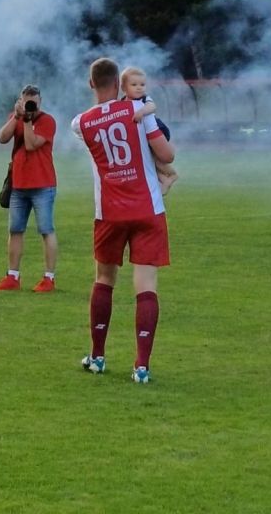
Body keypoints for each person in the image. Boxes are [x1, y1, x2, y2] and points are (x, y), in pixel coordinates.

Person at [72, 57, 176, 384]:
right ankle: (141, 367)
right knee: (146, 286)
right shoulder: (137, 110)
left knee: (104, 279)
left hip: (109, 212)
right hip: (147, 209)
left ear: (91, 84)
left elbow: (94, 130)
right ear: (120, 83)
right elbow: (166, 155)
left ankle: (98, 357)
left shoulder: (81, 122)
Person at [0, 85, 58, 292]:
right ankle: (12, 276)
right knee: (15, 230)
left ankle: (49, 278)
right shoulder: (17, 116)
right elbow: (1, 138)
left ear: (40, 102)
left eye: (33, 102)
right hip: (19, 184)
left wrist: (27, 121)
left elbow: (30, 144)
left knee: (46, 230)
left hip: (42, 184)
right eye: (26, 101)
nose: (30, 106)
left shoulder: (47, 121)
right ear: (20, 100)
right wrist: (16, 117)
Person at [120, 66, 179, 194]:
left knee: (154, 158)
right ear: (124, 88)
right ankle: (164, 178)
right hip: (141, 134)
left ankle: (172, 175)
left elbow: (152, 106)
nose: (139, 87)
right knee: (148, 160)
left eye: (142, 84)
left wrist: (142, 111)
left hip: (158, 130)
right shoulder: (121, 103)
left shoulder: (144, 99)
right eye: (134, 84)